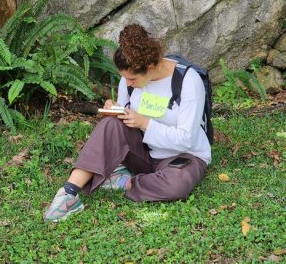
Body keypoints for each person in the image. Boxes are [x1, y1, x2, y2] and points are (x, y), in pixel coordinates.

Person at [43, 24, 211, 222]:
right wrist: (116, 110)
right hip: (144, 151)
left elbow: (187, 140)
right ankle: (69, 193)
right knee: (110, 123)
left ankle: (125, 182)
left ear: (150, 67)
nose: (127, 83)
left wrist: (145, 123)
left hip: (182, 155)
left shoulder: (188, 81)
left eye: (132, 79)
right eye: (124, 78)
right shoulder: (128, 80)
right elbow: (124, 116)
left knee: (176, 184)